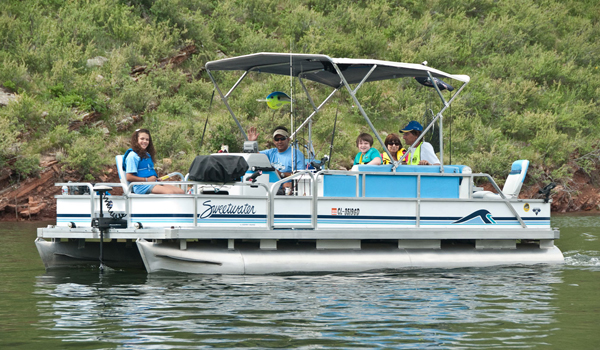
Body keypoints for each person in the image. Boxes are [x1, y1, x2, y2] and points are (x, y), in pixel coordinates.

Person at [124, 129, 185, 194]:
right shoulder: (132, 156)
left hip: (153, 182)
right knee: (169, 192)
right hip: (141, 186)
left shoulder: (147, 155)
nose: (145, 141)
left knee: (181, 192)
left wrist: (156, 179)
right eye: (142, 139)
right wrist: (147, 180)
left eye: (147, 139)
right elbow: (129, 177)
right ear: (136, 140)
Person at [247, 126, 306, 192]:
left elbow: (301, 175)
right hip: (269, 187)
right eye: (277, 139)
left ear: (288, 139)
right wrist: (251, 142)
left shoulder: (297, 154)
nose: (279, 141)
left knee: (287, 186)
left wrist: (281, 174)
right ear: (274, 141)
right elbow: (254, 156)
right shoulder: (270, 152)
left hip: (286, 188)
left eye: (282, 138)